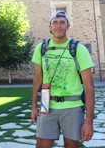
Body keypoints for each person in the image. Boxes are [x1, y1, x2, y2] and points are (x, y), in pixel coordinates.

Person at [31, 11, 95, 148]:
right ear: (50, 26)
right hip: (46, 105)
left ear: (68, 26)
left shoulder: (79, 49)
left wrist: (89, 121)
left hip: (72, 106)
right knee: (42, 144)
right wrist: (33, 107)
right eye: (55, 22)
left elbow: (89, 87)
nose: (58, 26)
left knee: (71, 145)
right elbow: (37, 79)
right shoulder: (41, 48)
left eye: (62, 22)